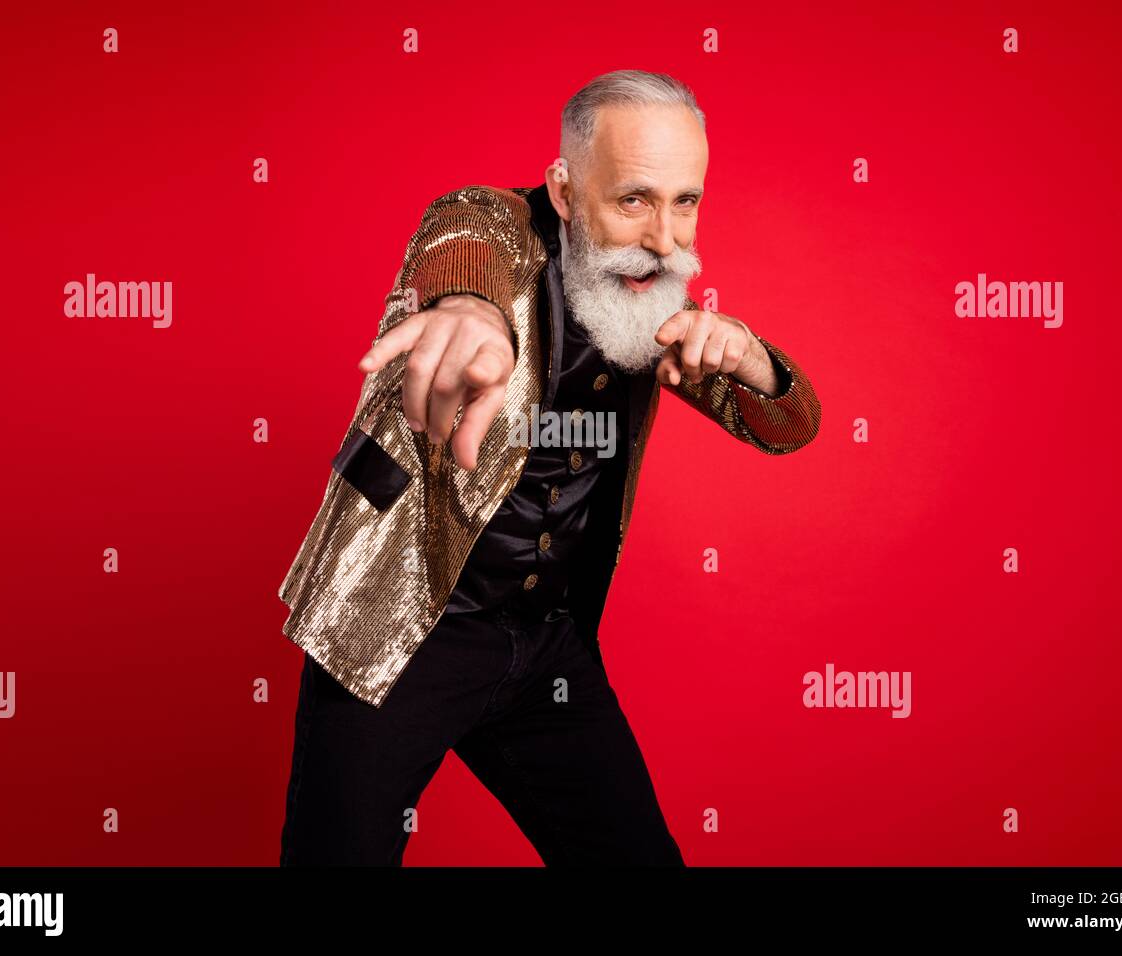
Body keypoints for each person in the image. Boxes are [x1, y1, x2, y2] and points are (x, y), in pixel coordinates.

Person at [277, 69, 821, 865]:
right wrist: (467, 313)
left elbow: (790, 426)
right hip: (402, 624)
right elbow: (462, 243)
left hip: (547, 647)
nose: (666, 238)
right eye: (633, 199)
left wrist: (751, 360)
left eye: (686, 201)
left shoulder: (654, 300)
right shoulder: (492, 223)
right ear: (564, 192)